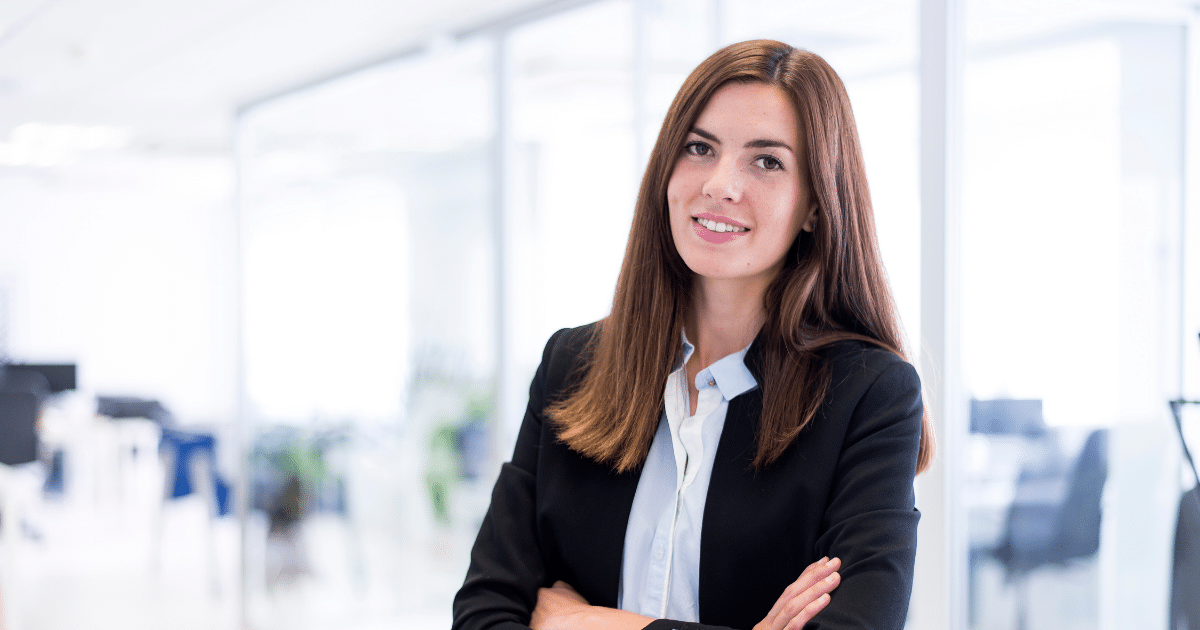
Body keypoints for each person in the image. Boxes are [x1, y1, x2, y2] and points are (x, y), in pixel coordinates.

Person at [453, 39, 934, 630]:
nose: (721, 184)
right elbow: (482, 613)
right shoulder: (572, 366)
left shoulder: (868, 394)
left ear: (815, 204)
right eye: (699, 148)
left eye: (767, 161)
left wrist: (585, 624)